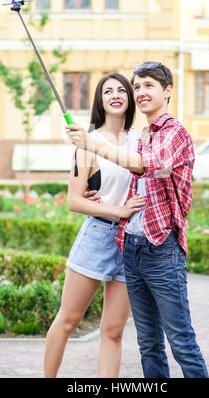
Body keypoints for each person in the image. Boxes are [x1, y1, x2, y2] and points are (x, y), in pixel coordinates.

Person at [66, 61, 209, 378]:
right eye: (138, 86)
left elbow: (148, 166)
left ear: (167, 91)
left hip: (162, 249)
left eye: (149, 86)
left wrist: (92, 143)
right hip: (130, 247)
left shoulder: (175, 133)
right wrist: (97, 195)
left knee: (181, 343)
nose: (141, 92)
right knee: (149, 344)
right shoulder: (143, 135)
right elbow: (131, 181)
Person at [44, 72, 146, 378]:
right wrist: (119, 210)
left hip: (131, 242)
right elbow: (74, 200)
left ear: (129, 97)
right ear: (100, 101)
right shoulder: (86, 143)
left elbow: (150, 176)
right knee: (68, 320)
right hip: (98, 236)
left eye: (121, 90)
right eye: (107, 92)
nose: (115, 95)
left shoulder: (142, 140)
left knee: (113, 331)